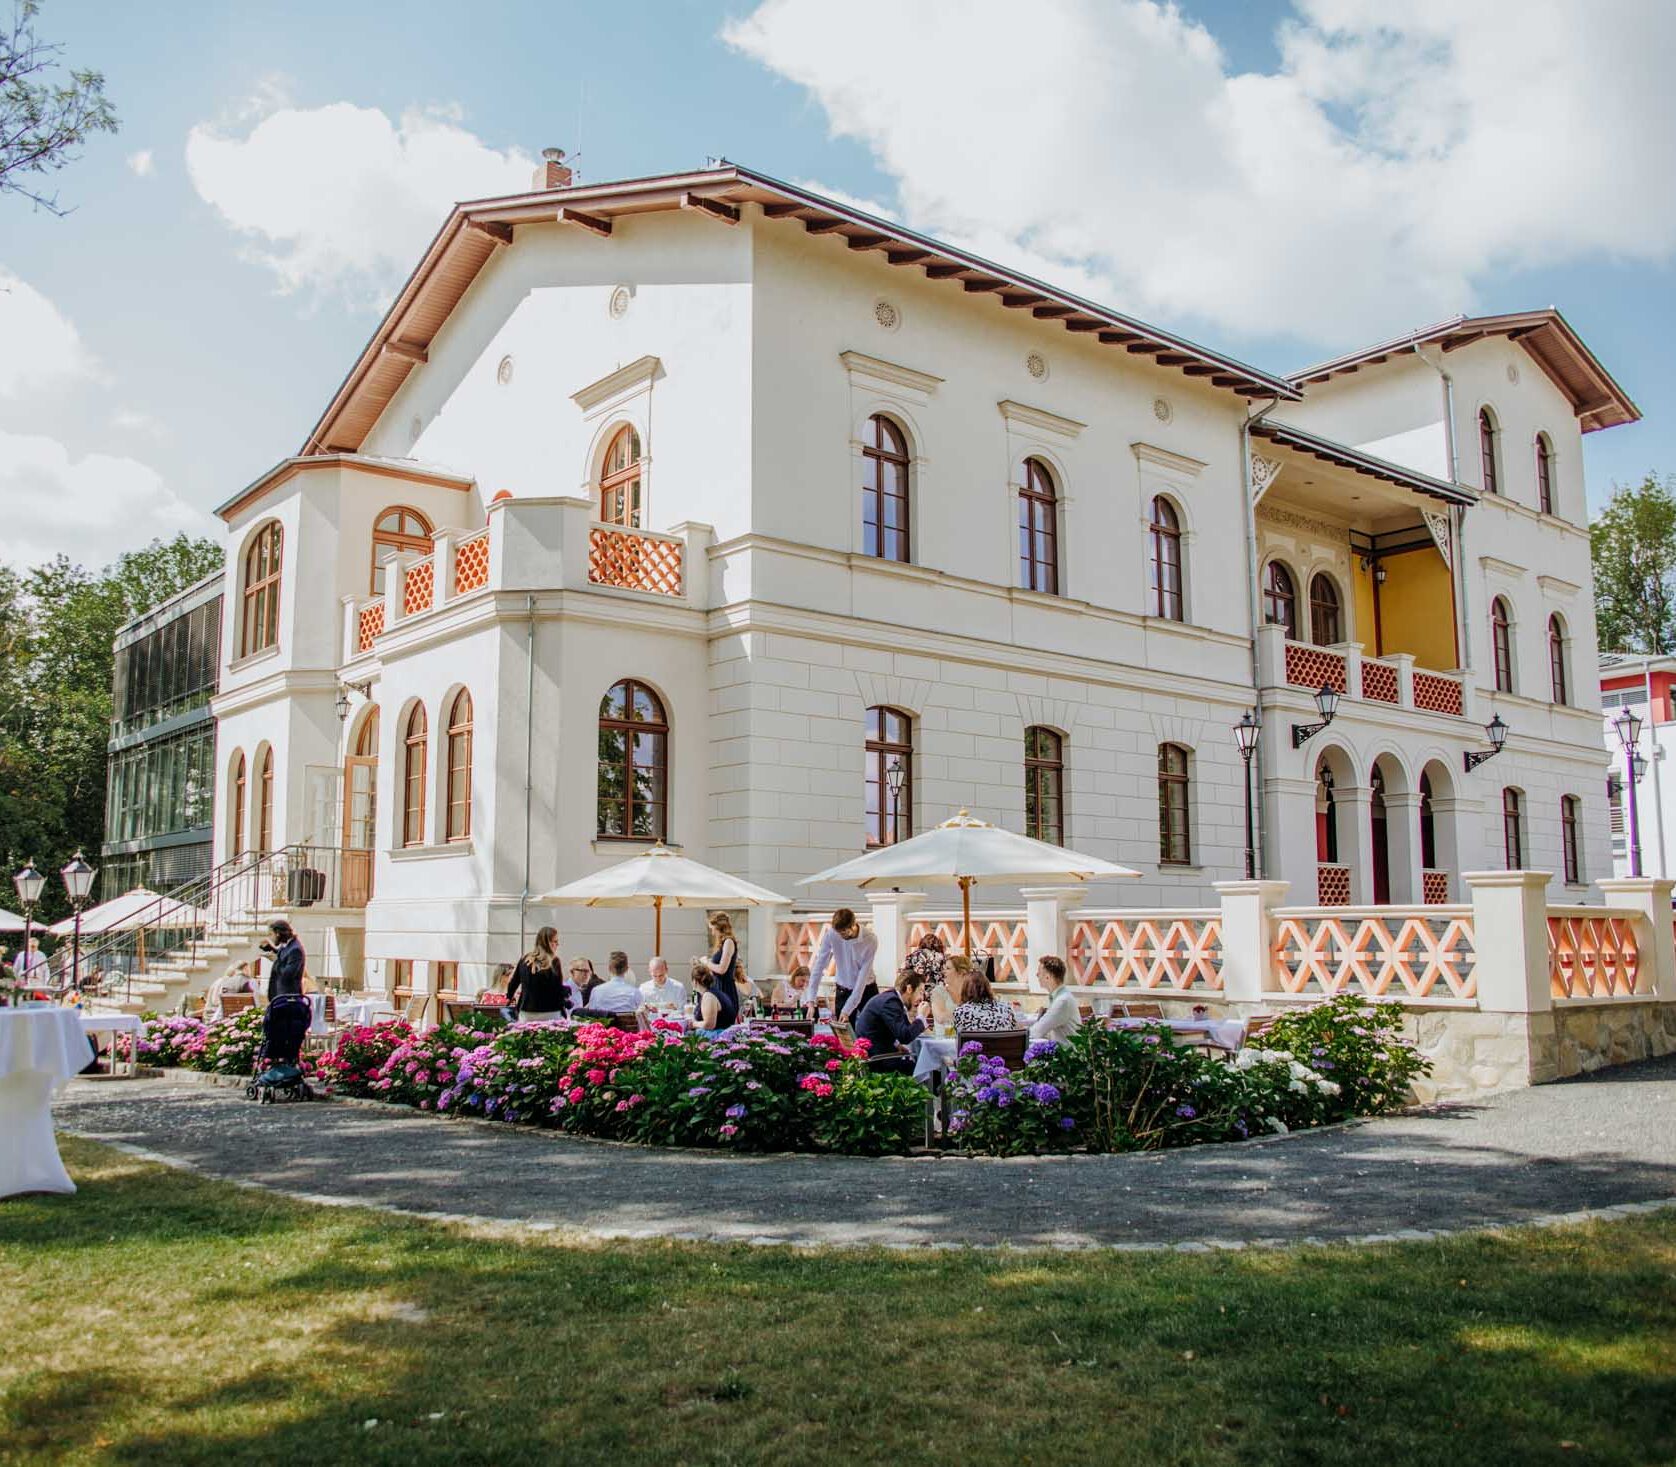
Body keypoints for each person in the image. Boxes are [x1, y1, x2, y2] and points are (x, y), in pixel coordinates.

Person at [853, 969, 929, 1075]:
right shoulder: (891, 1002)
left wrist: (896, 1044)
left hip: (876, 1056)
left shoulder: (891, 999)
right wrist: (921, 1018)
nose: (922, 998)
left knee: (920, 1065)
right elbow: (905, 1036)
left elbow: (896, 1029)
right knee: (927, 1069)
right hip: (877, 1062)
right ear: (909, 989)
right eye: (920, 992)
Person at [809, 908, 879, 1022]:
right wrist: (811, 999)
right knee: (844, 1034)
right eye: (838, 932)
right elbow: (819, 965)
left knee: (872, 1032)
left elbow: (862, 980)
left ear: (853, 925)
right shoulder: (832, 933)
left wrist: (847, 1010)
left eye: (843, 932)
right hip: (842, 990)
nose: (840, 935)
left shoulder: (870, 939)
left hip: (867, 989)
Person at [506, 926, 572, 1022]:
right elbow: (557, 988)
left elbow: (514, 982)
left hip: (527, 1010)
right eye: (555, 941)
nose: (557, 944)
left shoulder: (525, 959)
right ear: (547, 942)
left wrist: (509, 997)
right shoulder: (554, 961)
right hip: (550, 1010)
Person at [696, 913, 741, 1026]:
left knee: (721, 1025)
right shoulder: (723, 943)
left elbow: (722, 969)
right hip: (718, 987)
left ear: (718, 927)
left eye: (712, 929)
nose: (712, 933)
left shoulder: (729, 942)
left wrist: (707, 962)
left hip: (725, 989)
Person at [1028, 955, 1082, 1043]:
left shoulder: (1062, 1001)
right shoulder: (1060, 996)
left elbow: (1037, 1031)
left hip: (1067, 1054)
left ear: (1048, 977)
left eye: (1039, 972)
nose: (1037, 975)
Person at [952, 968, 1019, 1032]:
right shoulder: (1006, 1009)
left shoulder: (961, 1012)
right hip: (1003, 1043)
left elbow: (958, 1036)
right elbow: (1015, 1029)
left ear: (965, 989)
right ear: (988, 987)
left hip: (977, 1043)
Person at [261, 920, 306, 999]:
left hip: (288, 997)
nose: (270, 938)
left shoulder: (296, 950)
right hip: (280, 995)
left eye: (271, 934)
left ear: (278, 934)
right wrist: (269, 948)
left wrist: (276, 960)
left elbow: (288, 974)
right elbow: (284, 956)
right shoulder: (287, 945)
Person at [689, 961, 730, 1036]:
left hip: (717, 1037)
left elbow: (709, 1025)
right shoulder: (715, 992)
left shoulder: (708, 996)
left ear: (694, 982)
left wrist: (693, 1024)